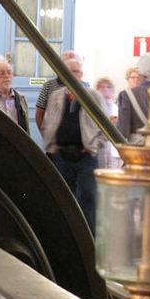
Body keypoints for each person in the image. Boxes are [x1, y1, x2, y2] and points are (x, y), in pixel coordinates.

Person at [41, 56, 106, 231]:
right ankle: (66, 235)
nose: (72, 75)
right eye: (69, 72)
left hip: (86, 157)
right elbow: (48, 122)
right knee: (63, 199)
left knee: (88, 199)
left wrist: (94, 145)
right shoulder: (56, 96)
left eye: (76, 72)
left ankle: (89, 238)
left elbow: (106, 127)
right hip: (62, 156)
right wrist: (51, 145)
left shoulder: (93, 96)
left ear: (81, 75)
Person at [35, 51, 83, 132]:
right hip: (55, 135)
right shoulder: (48, 86)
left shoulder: (86, 88)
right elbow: (39, 113)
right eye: (68, 65)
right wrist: (45, 134)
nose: (72, 73)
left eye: (75, 69)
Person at [0, 56, 29, 133]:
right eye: (2, 73)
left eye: (9, 72)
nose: (6, 76)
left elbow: (25, 127)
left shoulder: (21, 98)